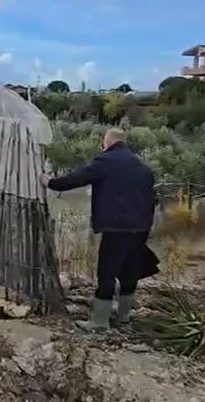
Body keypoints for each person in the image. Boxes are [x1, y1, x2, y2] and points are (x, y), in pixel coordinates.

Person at [40, 128, 157, 331]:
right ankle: (123, 317)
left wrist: (50, 182)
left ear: (107, 142)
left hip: (117, 228)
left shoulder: (106, 162)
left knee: (107, 273)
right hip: (141, 227)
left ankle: (100, 322)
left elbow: (76, 178)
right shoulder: (142, 167)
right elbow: (152, 199)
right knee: (130, 270)